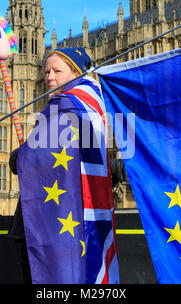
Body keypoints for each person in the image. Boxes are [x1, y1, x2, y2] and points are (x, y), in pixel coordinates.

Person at [9, 47, 120, 284]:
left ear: (76, 73)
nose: (49, 77)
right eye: (46, 71)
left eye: (57, 71)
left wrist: (22, 156)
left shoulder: (67, 104)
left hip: (51, 224)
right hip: (59, 221)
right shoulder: (86, 105)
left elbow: (37, 157)